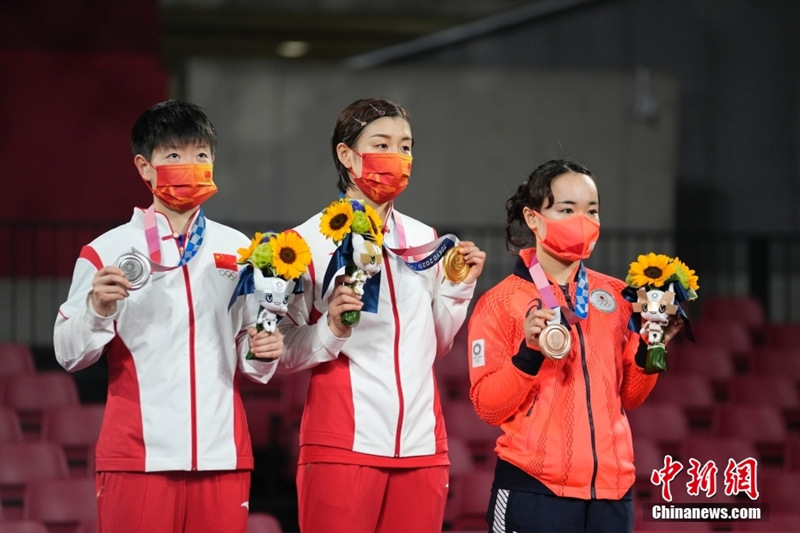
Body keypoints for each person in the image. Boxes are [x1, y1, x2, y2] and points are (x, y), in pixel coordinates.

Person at [53, 100, 284, 533]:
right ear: (144, 167)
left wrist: (265, 352)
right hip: (139, 456)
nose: (190, 166)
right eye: (174, 155)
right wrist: (96, 310)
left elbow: (250, 355)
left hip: (222, 455)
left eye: (201, 155)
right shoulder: (106, 251)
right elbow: (69, 354)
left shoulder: (240, 251)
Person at [277, 97, 486, 533]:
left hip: (422, 446)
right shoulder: (306, 243)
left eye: (406, 146)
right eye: (383, 144)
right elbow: (281, 351)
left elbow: (437, 343)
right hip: (342, 444)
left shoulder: (424, 239)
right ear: (346, 154)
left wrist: (459, 288)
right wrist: (329, 329)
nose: (398, 157)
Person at [466, 159, 684, 533]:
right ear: (533, 219)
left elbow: (630, 396)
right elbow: (487, 406)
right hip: (535, 488)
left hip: (612, 492)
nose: (583, 220)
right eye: (567, 209)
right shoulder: (501, 302)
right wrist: (529, 354)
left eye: (592, 210)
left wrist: (653, 345)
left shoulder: (617, 296)